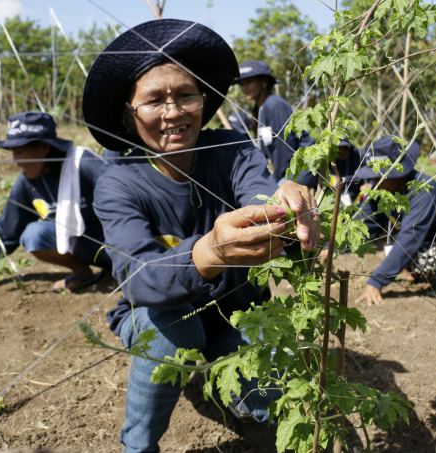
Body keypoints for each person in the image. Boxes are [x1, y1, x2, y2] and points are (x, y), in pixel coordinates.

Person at [81, 19, 319, 453]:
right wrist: (210, 250)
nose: (173, 111)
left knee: (271, 401)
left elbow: (258, 191)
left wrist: (285, 200)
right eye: (153, 101)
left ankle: (220, 369)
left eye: (185, 95)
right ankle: (138, 445)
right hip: (157, 313)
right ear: (128, 115)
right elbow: (139, 278)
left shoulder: (230, 148)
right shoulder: (118, 182)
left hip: (237, 311)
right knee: (176, 334)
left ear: (202, 100)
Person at [0, 111, 111, 293]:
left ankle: (121, 270)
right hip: (84, 248)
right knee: (33, 235)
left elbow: (129, 200)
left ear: (43, 148)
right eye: (13, 153)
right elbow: (7, 231)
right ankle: (81, 271)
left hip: (117, 244)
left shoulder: (82, 164)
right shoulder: (27, 182)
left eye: (20, 152)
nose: (15, 161)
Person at [353, 136, 436, 306]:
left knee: (417, 262)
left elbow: (408, 241)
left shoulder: (422, 192)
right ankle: (405, 268)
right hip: (426, 236)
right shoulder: (384, 188)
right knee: (383, 228)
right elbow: (364, 222)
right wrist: (330, 247)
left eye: (381, 176)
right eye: (373, 176)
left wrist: (377, 280)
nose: (376, 181)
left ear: (398, 172)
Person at [234, 60, 314, 183]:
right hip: (290, 169)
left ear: (264, 82)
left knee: (276, 197)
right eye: (241, 84)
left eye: (249, 82)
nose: (244, 87)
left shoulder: (274, 105)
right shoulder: (260, 108)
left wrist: (276, 181)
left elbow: (285, 148)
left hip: (303, 166)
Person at [297, 134, 373, 203]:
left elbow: (374, 175)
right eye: (333, 149)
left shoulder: (360, 156)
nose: (336, 151)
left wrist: (369, 184)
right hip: (328, 205)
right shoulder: (322, 160)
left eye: (339, 148)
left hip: (355, 203)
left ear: (347, 147)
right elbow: (302, 181)